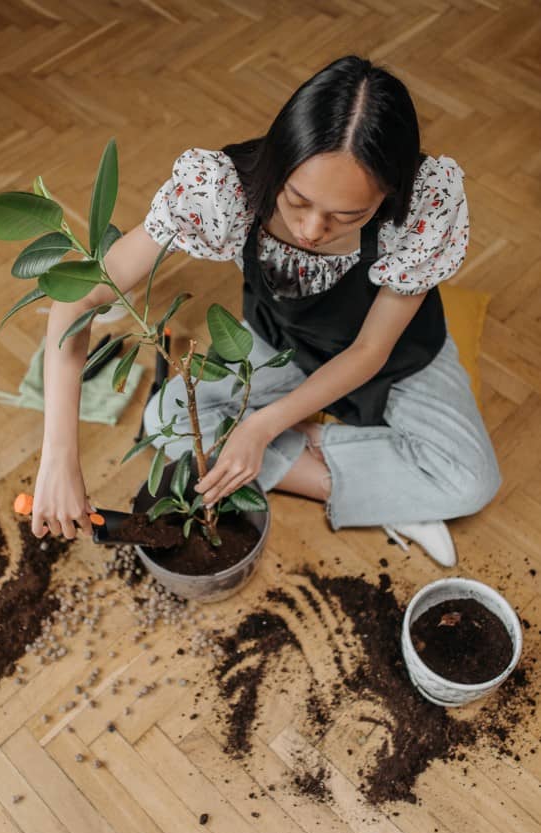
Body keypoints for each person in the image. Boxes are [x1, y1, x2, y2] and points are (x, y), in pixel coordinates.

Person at [32, 55, 501, 567]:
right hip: (282, 346)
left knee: (472, 480)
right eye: (297, 200)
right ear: (280, 160)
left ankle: (367, 472)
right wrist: (58, 456)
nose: (311, 230)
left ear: (389, 194)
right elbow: (78, 296)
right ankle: (392, 486)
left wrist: (261, 428)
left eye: (348, 216)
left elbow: (370, 350)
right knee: (166, 419)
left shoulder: (423, 206)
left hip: (398, 357)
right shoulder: (222, 192)